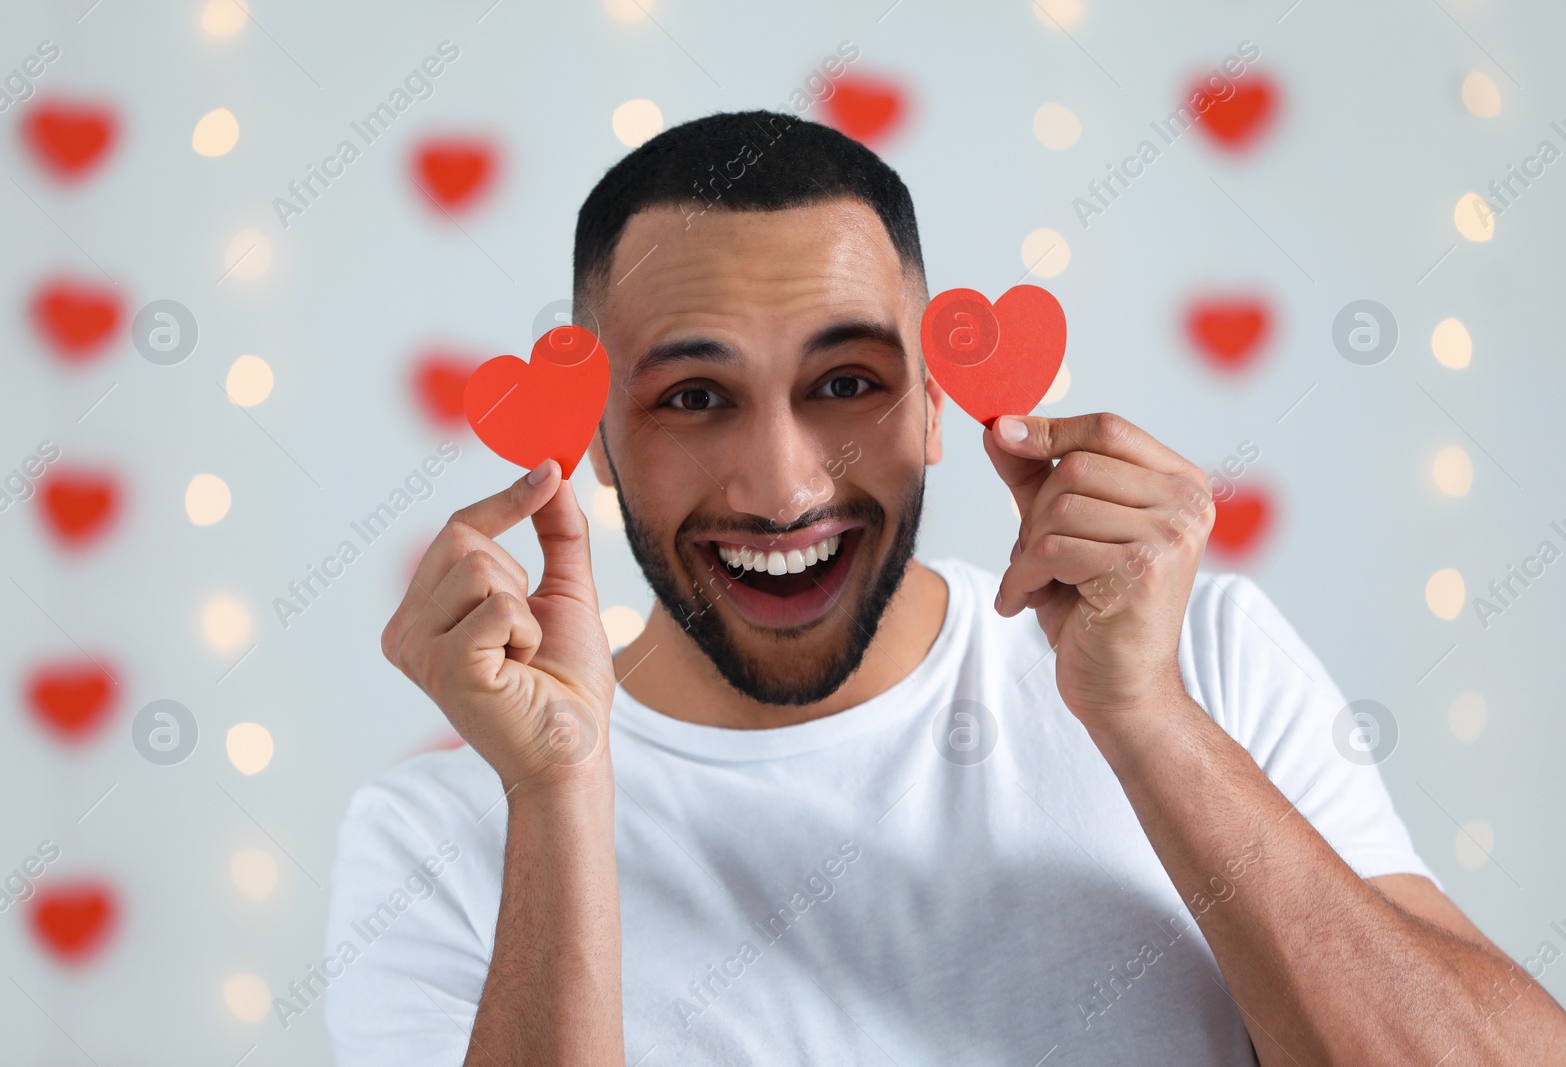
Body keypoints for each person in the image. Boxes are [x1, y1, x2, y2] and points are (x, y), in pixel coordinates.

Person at [324, 111, 1566, 1065]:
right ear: (595, 439)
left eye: (847, 381)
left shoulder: (1210, 659)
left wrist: (1147, 720)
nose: (779, 484)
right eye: (694, 398)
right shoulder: (442, 832)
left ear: (934, 404)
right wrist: (558, 793)